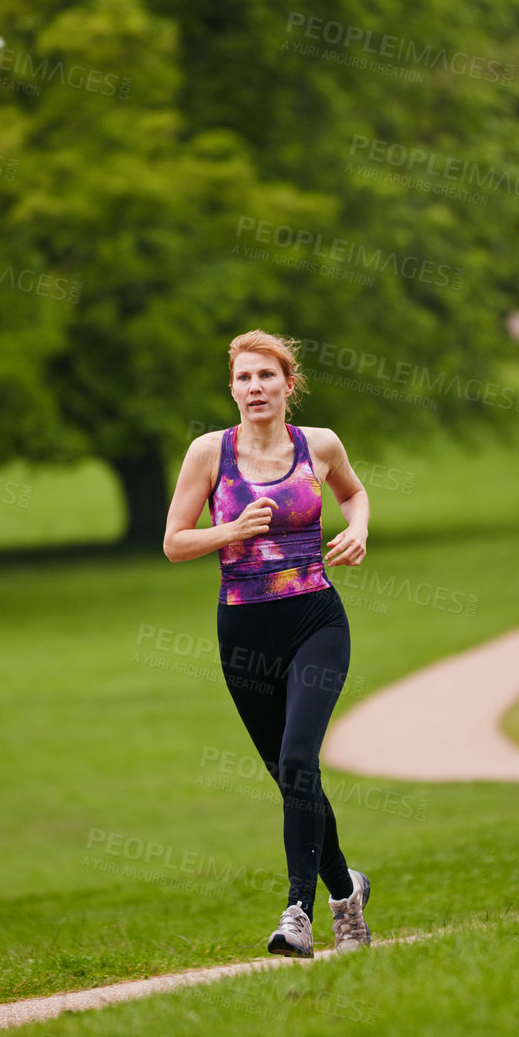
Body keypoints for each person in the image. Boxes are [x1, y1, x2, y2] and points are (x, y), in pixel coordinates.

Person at [162, 330, 374, 958]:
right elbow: (174, 542)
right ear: (231, 388)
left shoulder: (319, 445)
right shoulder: (208, 454)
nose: (255, 388)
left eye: (266, 377)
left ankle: (297, 915)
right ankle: (348, 894)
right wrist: (229, 530)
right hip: (244, 630)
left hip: (316, 621)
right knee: (292, 776)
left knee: (299, 758)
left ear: (288, 384)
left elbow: (354, 493)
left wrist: (357, 529)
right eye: (243, 379)